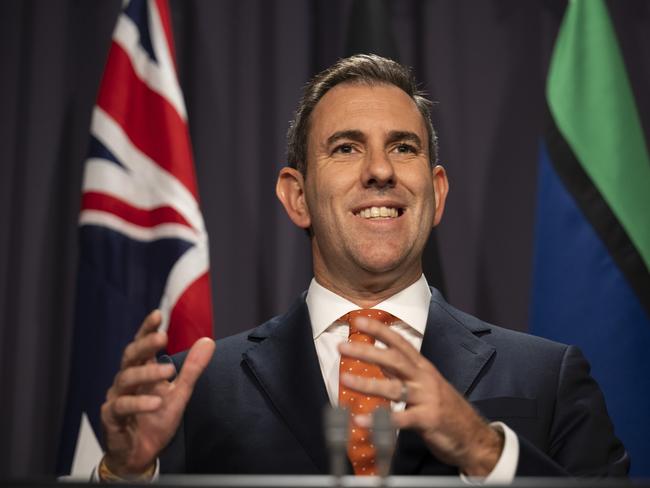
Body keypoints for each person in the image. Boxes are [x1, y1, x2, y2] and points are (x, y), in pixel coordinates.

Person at [98, 54, 628, 481]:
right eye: (347, 148)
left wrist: (484, 452)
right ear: (297, 196)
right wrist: (127, 474)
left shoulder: (547, 378)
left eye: (403, 147)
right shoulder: (198, 390)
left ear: (436, 194)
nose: (380, 171)